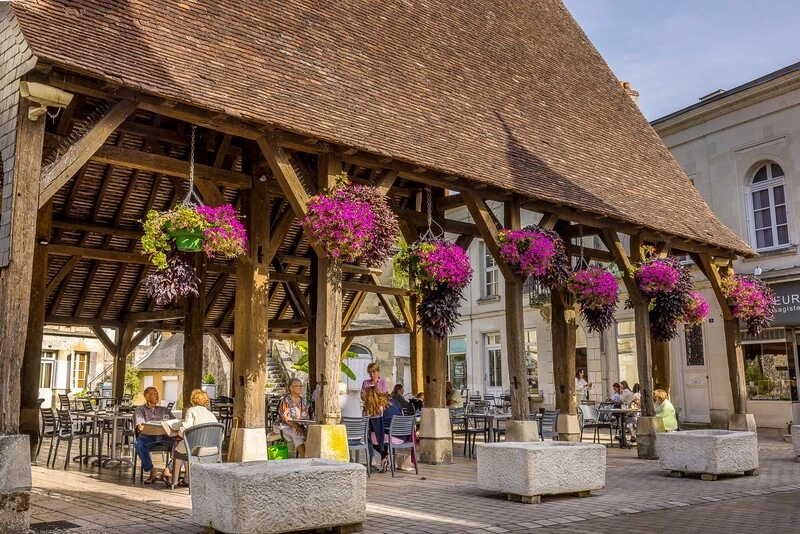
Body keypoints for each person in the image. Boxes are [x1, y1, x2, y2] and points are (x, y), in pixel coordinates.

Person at [172, 389, 218, 488]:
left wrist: (178, 431)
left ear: (193, 400)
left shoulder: (191, 411)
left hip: (196, 448)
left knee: (180, 449)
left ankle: (174, 481)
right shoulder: (211, 415)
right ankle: (187, 478)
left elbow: (185, 429)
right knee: (186, 445)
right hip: (212, 449)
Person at [134, 387, 175, 485]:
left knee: (182, 443)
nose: (156, 395)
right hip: (149, 436)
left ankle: (169, 469)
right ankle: (152, 470)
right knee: (139, 443)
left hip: (164, 436)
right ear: (146, 396)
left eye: (157, 393)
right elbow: (140, 428)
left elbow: (174, 423)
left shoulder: (164, 410)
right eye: (153, 393)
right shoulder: (140, 410)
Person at [363, 386, 403, 472]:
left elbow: (375, 426)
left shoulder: (377, 406)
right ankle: (384, 459)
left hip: (391, 436)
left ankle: (385, 455)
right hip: (402, 436)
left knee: (370, 437)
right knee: (381, 433)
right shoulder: (393, 401)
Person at [275, 378, 310, 457]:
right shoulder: (285, 400)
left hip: (299, 425)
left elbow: (306, 416)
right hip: (281, 425)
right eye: (298, 386)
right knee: (297, 433)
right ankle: (305, 457)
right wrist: (297, 426)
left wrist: (302, 426)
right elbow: (286, 418)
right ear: (291, 388)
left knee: (310, 432)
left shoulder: (303, 401)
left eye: (301, 386)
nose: (301, 388)